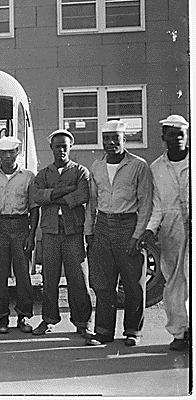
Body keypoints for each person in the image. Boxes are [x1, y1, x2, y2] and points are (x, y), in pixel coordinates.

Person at [84, 120, 153, 347]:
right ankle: (103, 331)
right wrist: (90, 231)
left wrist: (137, 235)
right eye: (106, 138)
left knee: (133, 283)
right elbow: (92, 202)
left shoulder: (138, 166)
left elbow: (145, 204)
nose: (111, 142)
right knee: (103, 283)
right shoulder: (97, 166)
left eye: (116, 138)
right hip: (103, 224)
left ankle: (133, 331)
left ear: (124, 140)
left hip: (128, 225)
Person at [31, 129, 92, 338]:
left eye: (65, 146)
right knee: (49, 278)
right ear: (51, 148)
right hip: (50, 231)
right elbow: (37, 195)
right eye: (57, 146)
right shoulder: (43, 174)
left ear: (70, 147)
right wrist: (64, 190)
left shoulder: (81, 171)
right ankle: (48, 319)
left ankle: (82, 322)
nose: (61, 150)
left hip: (73, 231)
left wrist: (53, 197)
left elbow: (82, 194)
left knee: (77, 278)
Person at [138, 115, 190, 351]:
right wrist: (150, 229)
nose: (177, 139)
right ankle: (180, 333)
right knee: (174, 282)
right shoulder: (157, 167)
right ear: (163, 139)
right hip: (171, 228)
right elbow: (157, 204)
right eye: (171, 135)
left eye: (181, 134)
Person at [0, 136, 39, 334]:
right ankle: (1, 318)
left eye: (12, 152)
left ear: (18, 153)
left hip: (20, 226)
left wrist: (31, 235)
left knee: (23, 275)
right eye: (4, 153)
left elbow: (34, 208)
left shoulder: (28, 176)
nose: (8, 156)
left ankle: (23, 316)